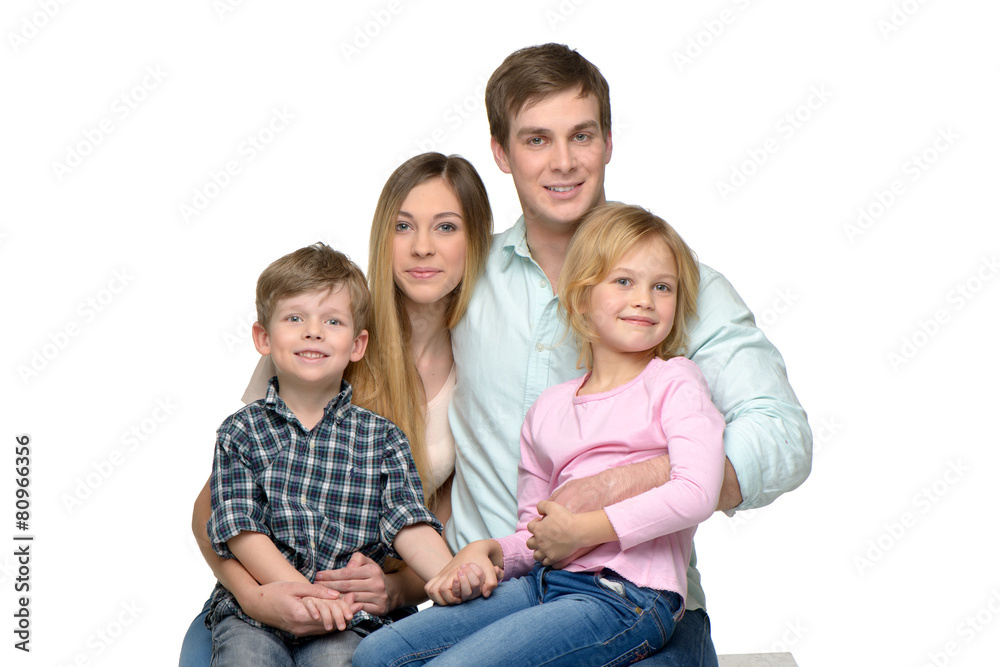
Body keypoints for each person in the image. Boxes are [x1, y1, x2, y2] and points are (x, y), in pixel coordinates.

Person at [444, 44, 812, 665]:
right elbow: (341, 349)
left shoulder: (680, 287)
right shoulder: (460, 277)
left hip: (640, 610)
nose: (563, 162)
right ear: (501, 154)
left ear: (608, 141)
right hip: (503, 600)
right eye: (536, 140)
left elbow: (783, 435)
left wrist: (623, 483)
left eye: (581, 135)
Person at [354, 204, 727, 666]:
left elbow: (696, 493)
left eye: (662, 287)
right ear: (581, 295)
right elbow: (537, 535)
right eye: (623, 281)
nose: (644, 299)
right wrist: (492, 552)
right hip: (542, 585)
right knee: (377, 655)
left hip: (626, 596)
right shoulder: (549, 408)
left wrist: (582, 531)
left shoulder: (674, 381)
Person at [180, 153, 493, 665]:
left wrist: (407, 586)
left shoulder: (481, 373)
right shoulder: (317, 331)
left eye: (446, 227)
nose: (422, 246)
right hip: (255, 597)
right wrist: (260, 596)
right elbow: (215, 511)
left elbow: (419, 525)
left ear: (476, 239)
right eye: (403, 225)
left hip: (358, 613)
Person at [207, 242, 455, 665]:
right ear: (263, 338)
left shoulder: (382, 438)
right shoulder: (240, 432)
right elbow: (239, 529)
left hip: (347, 617)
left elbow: (407, 522)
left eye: (332, 321)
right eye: (295, 318)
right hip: (259, 609)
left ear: (357, 345)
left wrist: (450, 574)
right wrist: (303, 594)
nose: (313, 331)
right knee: (245, 659)